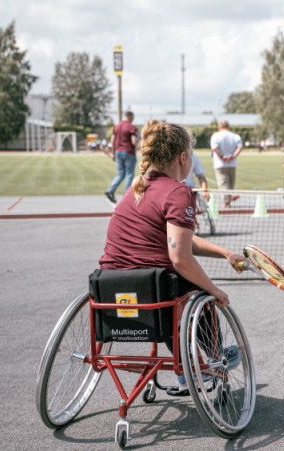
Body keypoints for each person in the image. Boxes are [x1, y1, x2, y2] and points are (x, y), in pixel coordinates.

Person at [99, 120, 245, 394]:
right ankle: (214, 360)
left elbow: (179, 239)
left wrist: (224, 253)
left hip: (111, 292)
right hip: (157, 293)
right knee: (200, 291)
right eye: (191, 153)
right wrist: (213, 289)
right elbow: (180, 257)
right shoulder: (179, 192)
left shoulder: (136, 189)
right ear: (182, 156)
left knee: (176, 287)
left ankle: (187, 365)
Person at [105, 111, 139, 203]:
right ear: (130, 116)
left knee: (120, 174)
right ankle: (126, 196)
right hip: (128, 152)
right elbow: (133, 141)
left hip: (118, 152)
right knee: (129, 174)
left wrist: (113, 154)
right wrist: (138, 146)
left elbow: (112, 141)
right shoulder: (131, 127)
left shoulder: (116, 126)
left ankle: (110, 190)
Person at [210, 120, 243, 207]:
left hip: (220, 164)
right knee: (231, 183)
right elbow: (240, 147)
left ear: (219, 126)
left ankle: (227, 202)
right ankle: (228, 199)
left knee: (223, 183)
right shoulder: (235, 136)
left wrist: (222, 157)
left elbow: (215, 148)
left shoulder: (215, 136)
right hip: (232, 163)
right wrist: (232, 157)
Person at [182, 151, 211, 233]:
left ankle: (194, 226)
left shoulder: (193, 157)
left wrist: (205, 190)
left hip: (191, 190)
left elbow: (201, 176)